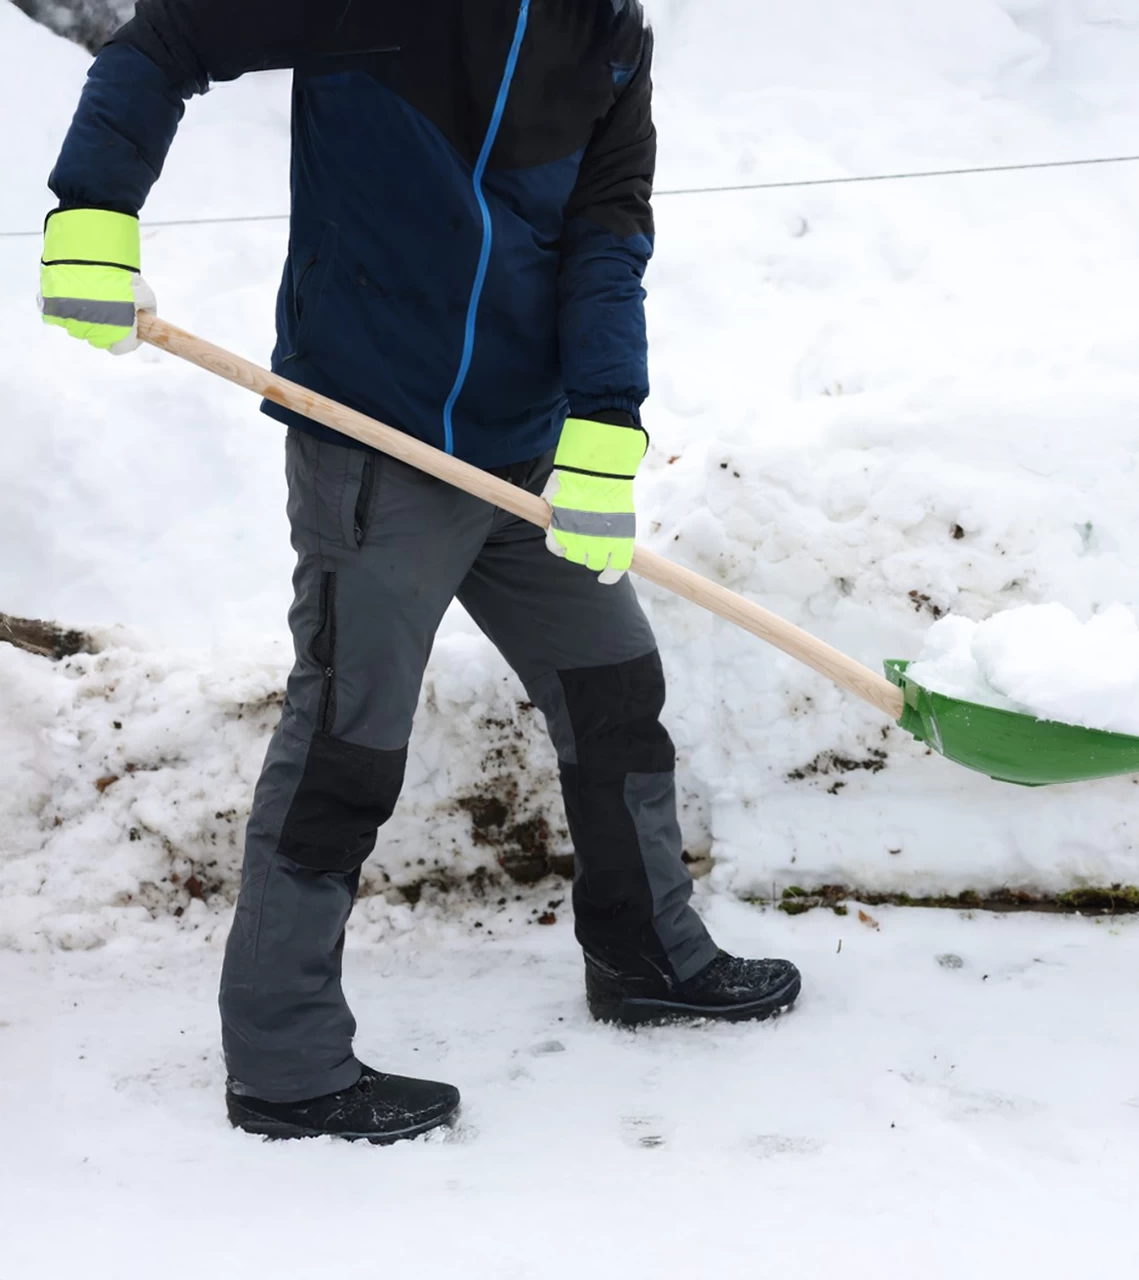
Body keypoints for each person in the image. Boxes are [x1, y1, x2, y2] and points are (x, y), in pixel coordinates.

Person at [39, 0, 801, 1144]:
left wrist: (604, 421)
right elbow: (168, 39)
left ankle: (643, 950)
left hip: (526, 458)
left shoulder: (610, 35)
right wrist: (95, 209)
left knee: (613, 689)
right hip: (375, 442)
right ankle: (286, 1062)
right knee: (344, 741)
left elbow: (607, 235)